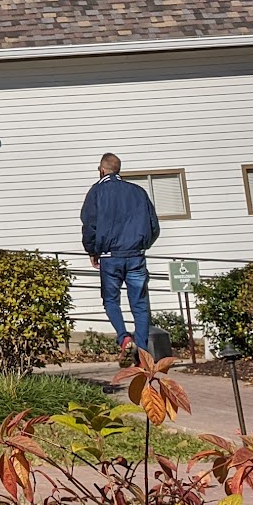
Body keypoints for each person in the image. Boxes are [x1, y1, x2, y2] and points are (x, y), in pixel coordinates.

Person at [80, 152, 159, 363]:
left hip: (110, 256)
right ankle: (142, 355)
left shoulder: (96, 192)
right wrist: (142, 245)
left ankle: (124, 339)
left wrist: (92, 251)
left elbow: (89, 225)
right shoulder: (138, 192)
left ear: (102, 170)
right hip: (136, 256)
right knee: (140, 305)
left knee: (110, 300)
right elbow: (154, 225)